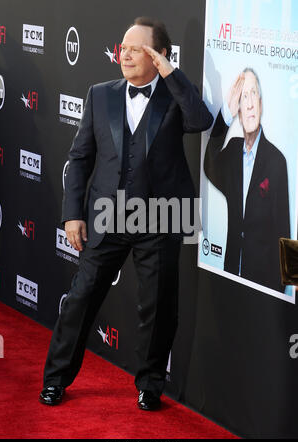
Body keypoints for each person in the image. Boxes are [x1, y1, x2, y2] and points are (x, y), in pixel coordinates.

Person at [39, 17, 213, 410]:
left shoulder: (175, 96)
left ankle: (150, 386)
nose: (126, 53)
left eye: (138, 48)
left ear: (161, 55)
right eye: (123, 46)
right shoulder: (100, 94)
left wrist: (172, 74)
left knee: (158, 306)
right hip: (108, 212)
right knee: (81, 298)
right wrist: (72, 214)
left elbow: (201, 121)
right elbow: (80, 158)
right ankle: (55, 379)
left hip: (164, 215)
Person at [204, 69, 290, 292]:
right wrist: (224, 116)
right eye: (244, 96)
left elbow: (284, 230)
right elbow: (209, 164)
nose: (250, 103)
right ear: (239, 110)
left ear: (260, 104)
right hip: (230, 275)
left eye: (253, 94)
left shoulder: (277, 161)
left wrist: (288, 291)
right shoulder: (232, 151)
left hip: (264, 286)